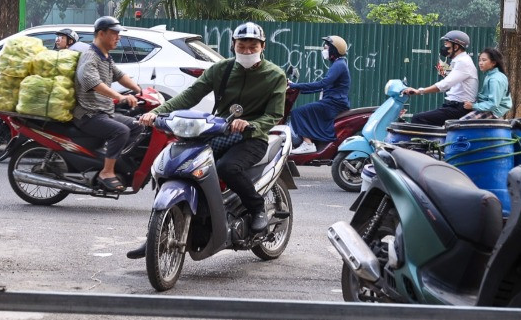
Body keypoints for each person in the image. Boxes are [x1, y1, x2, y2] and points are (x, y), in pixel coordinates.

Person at [136, 21, 287, 244]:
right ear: (233, 46)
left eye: (252, 47)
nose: (246, 51)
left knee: (227, 167)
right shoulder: (221, 69)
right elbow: (190, 96)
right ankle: (156, 235)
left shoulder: (275, 75)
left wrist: (250, 125)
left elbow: (274, 115)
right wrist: (156, 113)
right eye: (241, 46)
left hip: (253, 137)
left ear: (262, 47)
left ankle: (256, 209)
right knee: (182, 165)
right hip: (220, 131)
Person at [73, 15, 145, 192]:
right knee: (121, 131)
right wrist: (119, 97)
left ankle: (114, 160)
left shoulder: (105, 57)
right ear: (101, 34)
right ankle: (107, 171)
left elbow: (120, 76)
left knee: (138, 126)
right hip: (88, 114)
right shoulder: (90, 57)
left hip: (104, 112)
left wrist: (139, 90)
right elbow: (93, 83)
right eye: (114, 33)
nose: (118, 37)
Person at [288, 35, 351, 154]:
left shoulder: (339, 65)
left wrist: (295, 86)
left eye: (326, 48)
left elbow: (323, 83)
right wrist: (299, 89)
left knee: (298, 112)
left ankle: (308, 144)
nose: (324, 51)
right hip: (333, 102)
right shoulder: (339, 64)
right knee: (304, 111)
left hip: (333, 103)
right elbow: (325, 86)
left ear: (334, 49)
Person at [402, 30, 478, 126]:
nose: (444, 48)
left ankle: (424, 141)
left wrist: (419, 91)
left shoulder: (463, 63)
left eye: (447, 45)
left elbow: (444, 85)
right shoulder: (460, 61)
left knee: (418, 119)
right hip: (454, 106)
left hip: (460, 108)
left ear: (456, 46)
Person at [460, 47, 511, 120]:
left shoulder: (495, 79)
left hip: (491, 111)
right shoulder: (491, 75)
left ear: (493, 63)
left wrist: (473, 106)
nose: (480, 63)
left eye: (484, 60)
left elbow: (493, 104)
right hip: (487, 109)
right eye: (479, 60)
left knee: (460, 123)